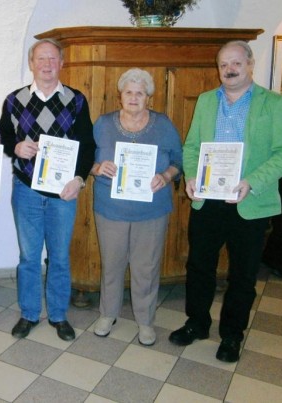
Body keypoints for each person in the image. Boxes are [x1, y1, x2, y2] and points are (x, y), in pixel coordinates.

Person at [168, 41, 282, 362]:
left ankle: (232, 335)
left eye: (236, 63)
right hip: (208, 201)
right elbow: (192, 147)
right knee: (199, 267)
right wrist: (190, 177)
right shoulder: (206, 101)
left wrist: (251, 182)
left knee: (242, 274)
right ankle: (197, 323)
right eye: (224, 64)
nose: (229, 69)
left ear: (250, 64)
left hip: (249, 202)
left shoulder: (275, 103)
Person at [0, 38, 95, 341]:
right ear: (32, 63)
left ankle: (58, 315)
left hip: (63, 193)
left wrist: (79, 180)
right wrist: (16, 147)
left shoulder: (76, 99)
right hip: (26, 189)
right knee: (28, 257)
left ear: (62, 63)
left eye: (52, 59)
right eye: (41, 59)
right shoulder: (14, 100)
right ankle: (29, 313)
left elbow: (87, 146)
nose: (46, 64)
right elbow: (3, 135)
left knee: (59, 256)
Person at [91, 68, 182, 346]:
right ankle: (108, 314)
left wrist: (166, 176)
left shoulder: (163, 124)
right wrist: (97, 168)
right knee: (112, 264)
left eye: (139, 93)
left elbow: (179, 161)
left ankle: (145, 321)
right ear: (120, 96)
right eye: (128, 92)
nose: (133, 97)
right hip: (111, 208)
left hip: (151, 210)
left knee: (147, 267)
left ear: (148, 97)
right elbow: (85, 160)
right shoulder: (103, 124)